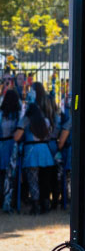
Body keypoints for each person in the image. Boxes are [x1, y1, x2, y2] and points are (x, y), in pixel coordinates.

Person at [12, 84, 56, 214]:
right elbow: (49, 135)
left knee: (33, 180)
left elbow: (17, 137)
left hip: (31, 151)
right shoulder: (46, 120)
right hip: (45, 151)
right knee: (44, 180)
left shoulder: (26, 120)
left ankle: (36, 206)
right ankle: (45, 204)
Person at [0, 88, 20, 212]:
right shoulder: (18, 114)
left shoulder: (2, 114)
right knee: (11, 176)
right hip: (13, 146)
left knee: (2, 175)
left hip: (2, 145)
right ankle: (10, 201)